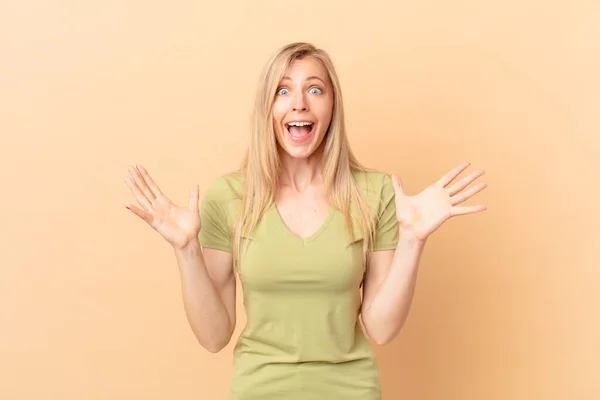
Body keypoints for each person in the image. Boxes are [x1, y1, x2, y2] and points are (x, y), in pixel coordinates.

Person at [124, 42, 487, 400]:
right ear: (268, 107)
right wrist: (186, 250)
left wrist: (412, 239)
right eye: (283, 90)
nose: (299, 102)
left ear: (332, 106)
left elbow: (381, 329)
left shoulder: (374, 193)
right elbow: (214, 336)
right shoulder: (230, 196)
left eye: (315, 89)